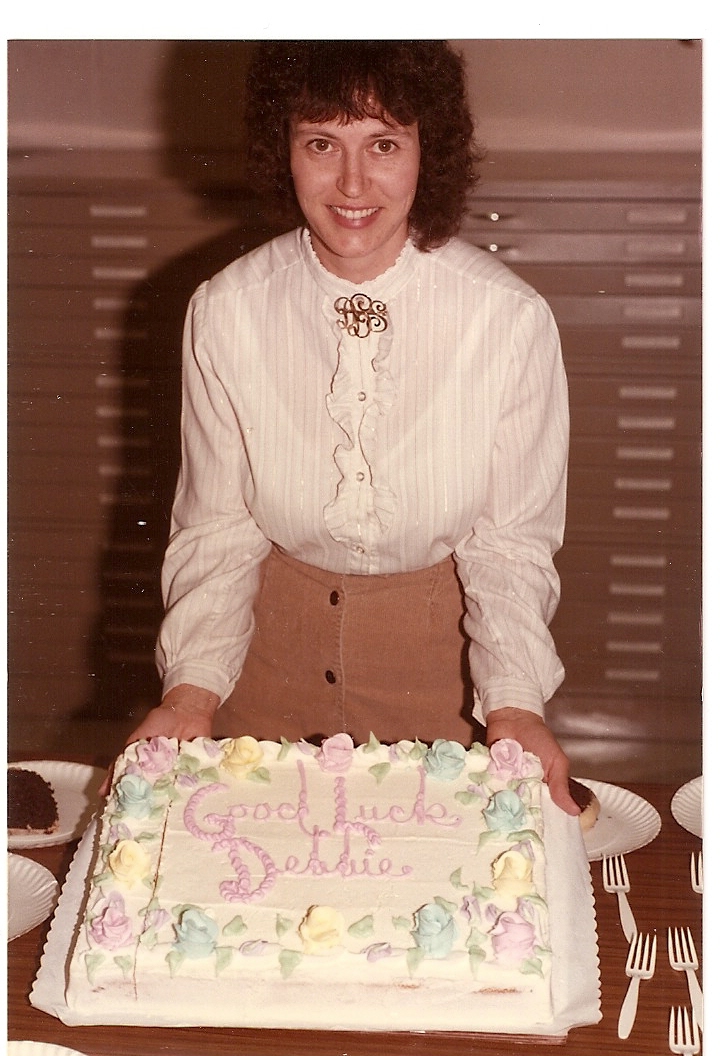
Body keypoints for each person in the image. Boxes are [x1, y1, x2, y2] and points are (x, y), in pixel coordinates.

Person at [125, 40, 579, 816]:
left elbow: (509, 546)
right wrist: (192, 692)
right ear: (284, 151)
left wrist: (513, 706)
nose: (353, 183)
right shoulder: (225, 311)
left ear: (426, 153)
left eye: (384, 144)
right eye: (321, 143)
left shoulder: (508, 320)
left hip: (447, 685)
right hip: (260, 676)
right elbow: (217, 527)